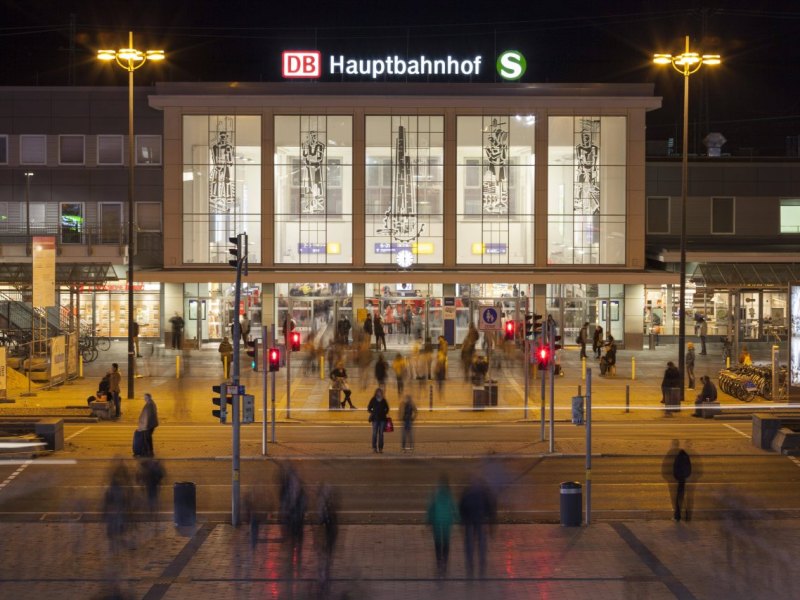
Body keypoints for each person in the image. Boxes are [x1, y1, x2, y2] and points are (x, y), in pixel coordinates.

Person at [459, 477, 497, 579]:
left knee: (469, 545)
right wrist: (492, 525)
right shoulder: (484, 493)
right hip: (481, 521)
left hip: (469, 522)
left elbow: (461, 507)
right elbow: (490, 508)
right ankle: (482, 564)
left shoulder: (466, 492)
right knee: (481, 544)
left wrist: (462, 521)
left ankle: (470, 564)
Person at [426, 475, 458, 579]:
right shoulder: (449, 495)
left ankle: (439, 563)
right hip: (446, 523)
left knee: (438, 544)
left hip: (437, 523)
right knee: (446, 544)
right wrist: (459, 519)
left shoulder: (434, 495)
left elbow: (430, 509)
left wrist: (428, 521)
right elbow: (454, 508)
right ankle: (445, 563)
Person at [663, 440, 693, 522]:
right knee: (682, 496)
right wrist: (686, 476)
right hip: (682, 479)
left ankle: (677, 516)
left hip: (673, 479)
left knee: (675, 499)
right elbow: (689, 467)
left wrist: (667, 477)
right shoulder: (683, 454)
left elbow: (666, 466)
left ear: (672, 444)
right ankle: (685, 516)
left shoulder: (671, 453)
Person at [367, 387, 390, 453]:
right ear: (376, 393)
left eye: (380, 392)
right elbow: (369, 408)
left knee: (381, 434)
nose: (379, 393)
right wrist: (373, 412)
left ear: (381, 393)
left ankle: (380, 448)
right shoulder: (373, 399)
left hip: (382, 419)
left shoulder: (384, 400)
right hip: (375, 419)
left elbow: (387, 408)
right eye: (378, 392)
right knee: (374, 434)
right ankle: (374, 448)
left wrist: (384, 413)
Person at [137, 393, 159, 457]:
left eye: (146, 398)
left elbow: (147, 417)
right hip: (150, 424)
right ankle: (149, 451)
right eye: (144, 398)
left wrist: (144, 426)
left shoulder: (149, 405)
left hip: (149, 425)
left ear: (149, 397)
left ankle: (149, 452)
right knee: (148, 438)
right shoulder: (151, 403)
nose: (144, 399)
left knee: (147, 438)